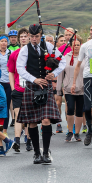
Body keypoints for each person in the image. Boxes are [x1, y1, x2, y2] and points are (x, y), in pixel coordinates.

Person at [16, 23, 66, 164]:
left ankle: (46, 152)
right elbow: (20, 68)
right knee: (32, 122)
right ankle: (36, 153)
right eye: (31, 36)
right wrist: (34, 79)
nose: (33, 39)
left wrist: (53, 74)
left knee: (45, 120)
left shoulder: (49, 47)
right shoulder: (24, 50)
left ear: (41, 35)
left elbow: (62, 62)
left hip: (46, 86)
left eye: (36, 36)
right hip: (32, 86)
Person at [57, 36, 84, 142]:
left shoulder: (84, 58)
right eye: (74, 45)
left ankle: (77, 133)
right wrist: (59, 90)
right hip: (68, 88)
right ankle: (70, 131)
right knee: (70, 109)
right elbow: (60, 74)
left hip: (81, 88)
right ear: (70, 46)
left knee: (79, 111)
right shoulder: (65, 58)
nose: (76, 47)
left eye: (78, 45)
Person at [7, 28, 30, 152]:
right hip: (18, 89)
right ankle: (16, 140)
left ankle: (29, 139)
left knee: (29, 117)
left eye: (25, 36)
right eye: (21, 36)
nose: (23, 38)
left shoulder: (33, 53)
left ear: (29, 38)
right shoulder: (14, 54)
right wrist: (12, 88)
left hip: (30, 89)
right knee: (18, 115)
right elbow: (10, 72)